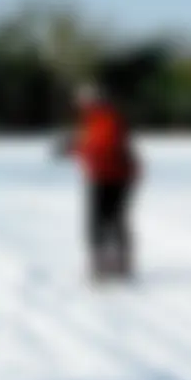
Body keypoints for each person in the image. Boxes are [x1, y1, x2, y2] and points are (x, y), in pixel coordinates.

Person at [56, 81, 139, 282]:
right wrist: (73, 147)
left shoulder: (106, 118)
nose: (79, 103)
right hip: (106, 173)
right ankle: (106, 261)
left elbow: (102, 145)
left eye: (83, 99)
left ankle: (113, 263)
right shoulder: (92, 119)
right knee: (106, 219)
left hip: (113, 175)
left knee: (106, 218)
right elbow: (91, 143)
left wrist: (76, 147)